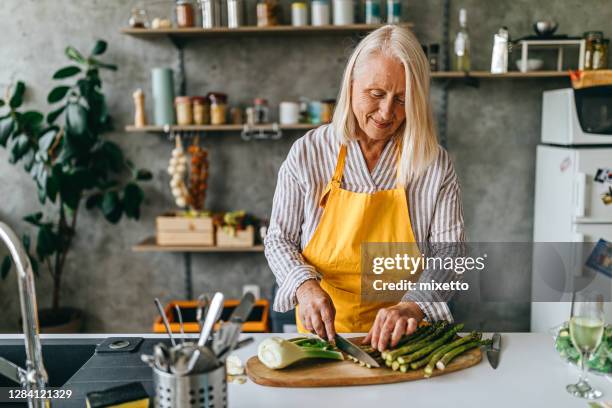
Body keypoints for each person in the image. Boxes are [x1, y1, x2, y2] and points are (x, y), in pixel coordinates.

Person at [265, 25, 465, 352]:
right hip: (324, 335)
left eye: (402, 99)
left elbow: (451, 253)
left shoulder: (433, 163)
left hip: (406, 337)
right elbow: (279, 238)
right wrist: (305, 287)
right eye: (376, 94)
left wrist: (413, 305)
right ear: (351, 85)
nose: (387, 113)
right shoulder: (309, 152)